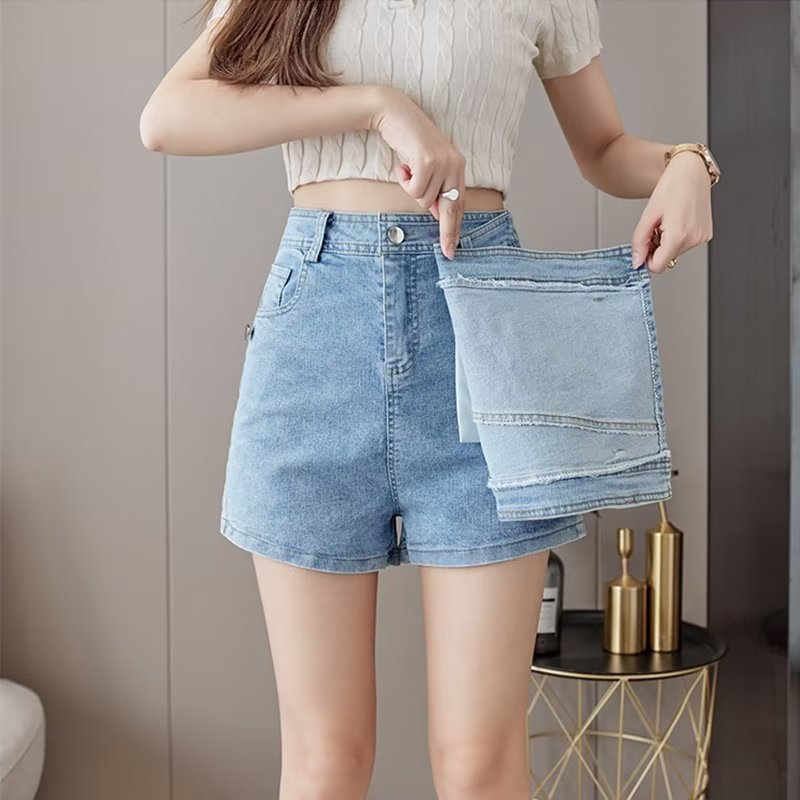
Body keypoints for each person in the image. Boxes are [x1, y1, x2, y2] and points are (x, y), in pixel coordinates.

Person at [139, 1, 717, 797]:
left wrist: (688, 163)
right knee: (326, 760)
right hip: (318, 338)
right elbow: (168, 116)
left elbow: (604, 149)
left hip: (480, 339)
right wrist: (376, 107)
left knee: (480, 763)